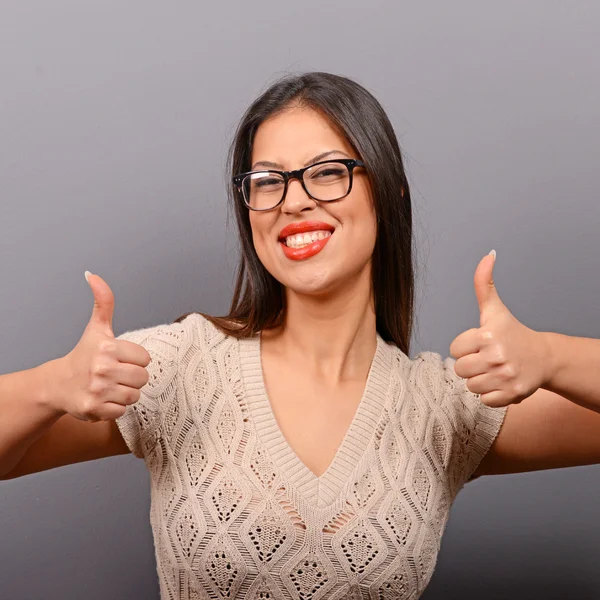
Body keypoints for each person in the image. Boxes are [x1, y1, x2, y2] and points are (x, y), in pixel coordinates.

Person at [2, 71, 600, 600]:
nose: (294, 200)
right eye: (268, 180)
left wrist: (551, 356)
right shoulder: (180, 366)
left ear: (388, 194)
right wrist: (51, 385)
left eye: (328, 172)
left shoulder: (444, 409)